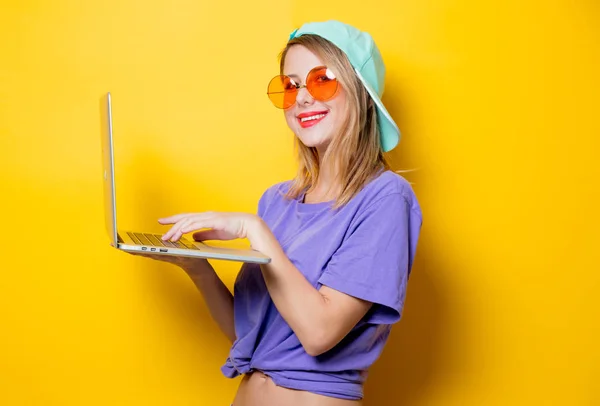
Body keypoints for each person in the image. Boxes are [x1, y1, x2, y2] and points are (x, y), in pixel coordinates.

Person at [134, 20, 422, 406]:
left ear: (361, 92)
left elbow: (319, 334)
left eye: (322, 80)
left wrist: (254, 230)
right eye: (291, 85)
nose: (301, 98)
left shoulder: (386, 198)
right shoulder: (278, 200)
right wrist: (198, 269)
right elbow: (250, 338)